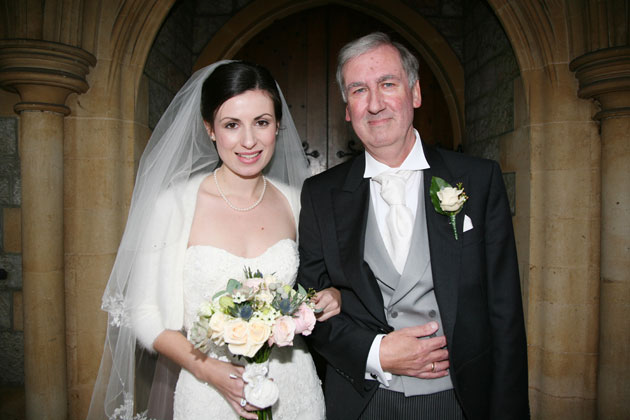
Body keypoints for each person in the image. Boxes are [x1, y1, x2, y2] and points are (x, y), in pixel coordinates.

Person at [87, 61, 340, 420]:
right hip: (206, 389)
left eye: (262, 123)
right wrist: (207, 369)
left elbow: (325, 281)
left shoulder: (297, 202)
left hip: (293, 386)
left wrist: (332, 296)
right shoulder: (174, 206)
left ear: (278, 126)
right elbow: (143, 313)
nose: (248, 141)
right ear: (209, 129)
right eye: (232, 125)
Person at [298, 32, 529, 419]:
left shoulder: (477, 179)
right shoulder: (321, 194)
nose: (374, 104)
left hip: (458, 399)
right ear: (346, 109)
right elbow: (307, 304)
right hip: (362, 401)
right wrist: (376, 352)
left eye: (387, 84)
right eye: (358, 90)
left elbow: (504, 312)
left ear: (415, 93)